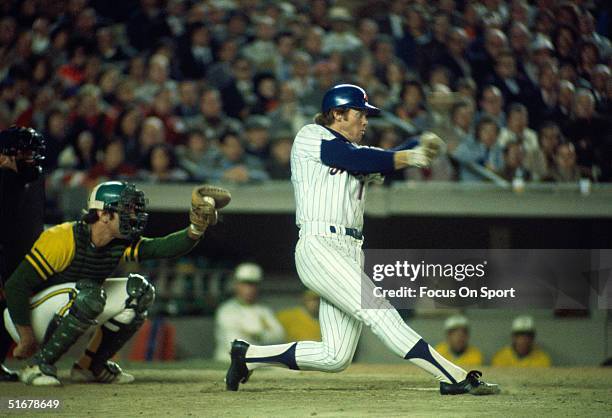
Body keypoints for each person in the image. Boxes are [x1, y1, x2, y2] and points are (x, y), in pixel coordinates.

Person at [225, 83, 499, 395]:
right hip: (320, 246)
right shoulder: (311, 137)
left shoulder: (356, 153)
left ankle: (246, 355)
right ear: (337, 113)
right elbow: (354, 158)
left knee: (335, 356)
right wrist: (412, 155)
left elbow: (376, 159)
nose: (366, 121)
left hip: (350, 249)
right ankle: (454, 376)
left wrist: (417, 143)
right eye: (360, 114)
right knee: (380, 314)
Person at [1, 181, 230, 385]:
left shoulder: (119, 241)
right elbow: (16, 286)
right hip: (27, 315)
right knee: (90, 294)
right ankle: (38, 365)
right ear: (103, 214)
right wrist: (26, 335)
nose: (134, 216)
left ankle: (90, 366)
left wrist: (196, 229)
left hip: (77, 301)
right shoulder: (62, 237)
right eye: (127, 209)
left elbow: (162, 247)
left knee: (138, 291)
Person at [0, 126, 46, 382]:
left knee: (8, 313)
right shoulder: (4, 181)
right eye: (26, 152)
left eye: (34, 152)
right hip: (4, 259)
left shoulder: (32, 181)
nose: (32, 158)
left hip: (19, 261)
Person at [214, 263, 285, 362]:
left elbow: (279, 336)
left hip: (259, 363)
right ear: (236, 285)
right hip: (229, 364)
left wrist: (255, 335)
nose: (249, 289)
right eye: (245, 284)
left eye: (253, 284)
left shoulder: (264, 310)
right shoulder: (227, 310)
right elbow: (236, 346)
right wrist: (263, 336)